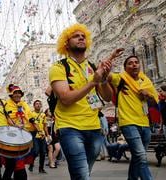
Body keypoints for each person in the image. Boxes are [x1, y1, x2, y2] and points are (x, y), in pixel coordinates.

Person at [49, 23, 123, 179]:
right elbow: (66, 98)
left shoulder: (92, 66)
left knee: (82, 173)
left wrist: (102, 80)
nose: (81, 37)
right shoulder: (59, 67)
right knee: (82, 175)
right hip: (70, 127)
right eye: (76, 36)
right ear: (66, 43)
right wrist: (93, 82)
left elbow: (107, 97)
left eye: (83, 36)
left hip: (94, 128)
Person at [107, 55, 158, 180]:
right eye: (130, 63)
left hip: (145, 123)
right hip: (128, 122)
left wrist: (148, 95)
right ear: (125, 67)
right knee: (141, 155)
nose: (134, 64)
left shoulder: (145, 81)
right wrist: (111, 58)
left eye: (136, 62)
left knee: (137, 156)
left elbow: (155, 103)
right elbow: (106, 75)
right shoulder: (121, 79)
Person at [5, 84, 33, 179]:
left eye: (19, 93)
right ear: (11, 95)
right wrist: (15, 126)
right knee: (15, 163)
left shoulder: (24, 105)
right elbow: (7, 118)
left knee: (16, 163)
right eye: (15, 93)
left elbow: (29, 116)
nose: (17, 95)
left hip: (23, 136)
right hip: (11, 137)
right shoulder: (6, 104)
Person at [29, 100, 49, 173]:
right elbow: (33, 123)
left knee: (43, 153)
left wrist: (47, 135)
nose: (38, 105)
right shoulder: (31, 113)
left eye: (39, 104)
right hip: (35, 135)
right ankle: (31, 164)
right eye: (36, 104)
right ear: (34, 106)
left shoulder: (43, 115)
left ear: (41, 106)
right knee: (35, 151)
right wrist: (39, 131)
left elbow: (45, 125)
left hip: (42, 136)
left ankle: (41, 168)